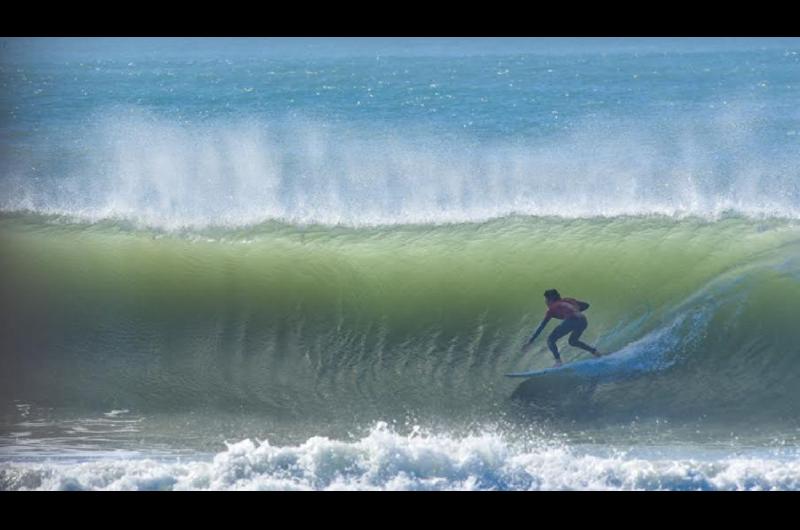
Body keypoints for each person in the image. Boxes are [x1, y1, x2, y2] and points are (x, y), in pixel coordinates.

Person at [522, 289, 601, 366]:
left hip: (572, 320)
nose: (545, 301)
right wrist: (576, 311)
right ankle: (595, 352)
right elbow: (586, 305)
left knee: (550, 340)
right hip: (583, 320)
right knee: (572, 341)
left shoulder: (552, 308)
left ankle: (558, 362)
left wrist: (530, 341)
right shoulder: (568, 300)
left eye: (546, 299)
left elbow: (541, 326)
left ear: (550, 299)